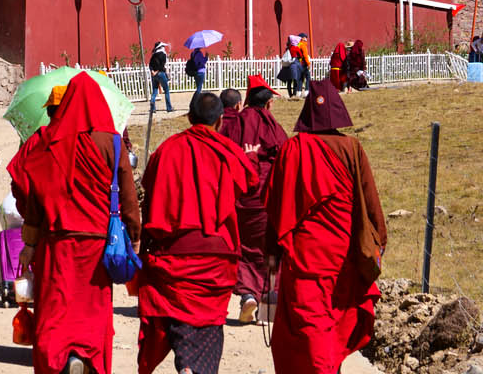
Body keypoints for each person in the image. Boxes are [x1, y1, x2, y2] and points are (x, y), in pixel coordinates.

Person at [7, 72, 140, 374]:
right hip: (97, 245)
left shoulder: (49, 141)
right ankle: (87, 355)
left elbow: (34, 194)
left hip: (57, 242)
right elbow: (129, 197)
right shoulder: (113, 142)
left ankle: (61, 357)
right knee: (92, 310)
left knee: (55, 309)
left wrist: (30, 241)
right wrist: (134, 235)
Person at [265, 79, 386, 374]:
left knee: (309, 323)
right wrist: (378, 242)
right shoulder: (351, 148)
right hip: (342, 254)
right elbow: (370, 201)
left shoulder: (293, 148)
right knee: (332, 320)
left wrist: (270, 252)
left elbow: (276, 203)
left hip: (304, 256)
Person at [137, 92, 256, 374]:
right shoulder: (228, 151)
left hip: (174, 252)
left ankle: (186, 363)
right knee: (210, 321)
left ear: (189, 118)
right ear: (222, 120)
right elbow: (248, 181)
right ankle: (193, 365)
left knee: (175, 315)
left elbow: (149, 191)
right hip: (217, 255)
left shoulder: (166, 150)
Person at [231, 78, 287, 324]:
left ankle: (246, 295)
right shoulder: (272, 125)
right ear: (269, 104)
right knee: (269, 251)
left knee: (244, 249)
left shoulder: (236, 123)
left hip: (241, 198)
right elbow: (286, 155)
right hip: (269, 196)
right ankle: (268, 307)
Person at [148, 42, 173, 112]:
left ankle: (152, 107)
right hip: (161, 73)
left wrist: (152, 71)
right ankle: (169, 108)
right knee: (166, 90)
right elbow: (162, 65)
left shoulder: (153, 55)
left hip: (154, 75)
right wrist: (157, 71)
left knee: (155, 91)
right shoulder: (163, 54)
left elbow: (150, 65)